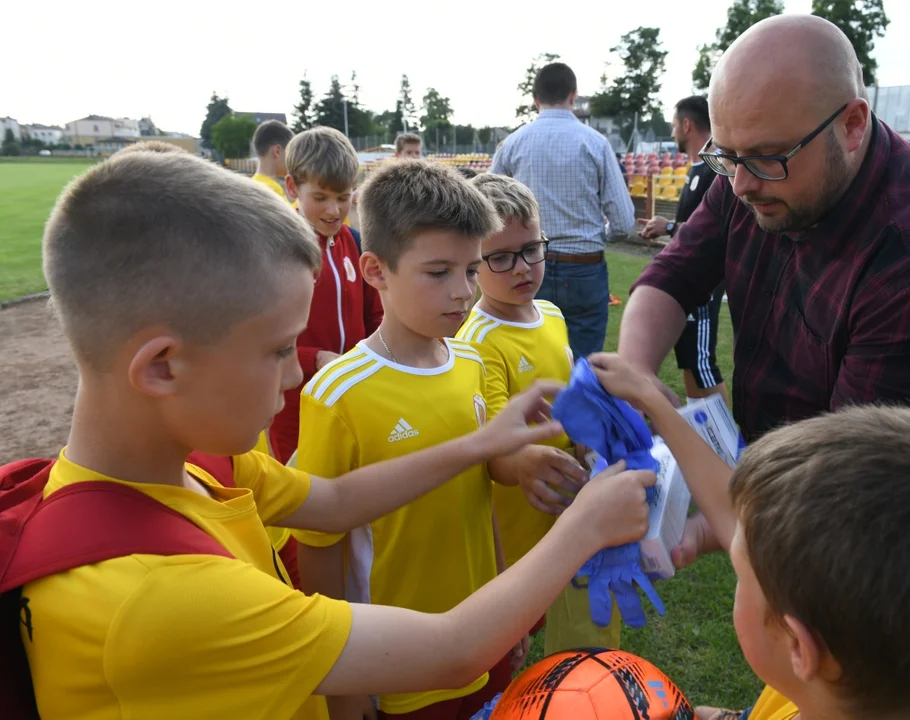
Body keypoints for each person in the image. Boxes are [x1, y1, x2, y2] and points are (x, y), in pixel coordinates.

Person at [18, 149, 655, 720]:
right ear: (162, 365)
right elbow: (453, 650)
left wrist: (484, 444)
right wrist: (587, 525)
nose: (298, 368)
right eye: (276, 349)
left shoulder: (209, 467)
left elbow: (335, 501)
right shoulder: (160, 597)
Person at [618, 16, 910, 565]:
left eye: (765, 157)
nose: (740, 184)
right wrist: (636, 373)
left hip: (879, 564)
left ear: (853, 125)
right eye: (726, 156)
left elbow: (853, 493)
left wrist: (713, 527)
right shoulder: (748, 171)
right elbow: (673, 275)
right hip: (785, 505)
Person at [588, 354, 910, 720]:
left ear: (800, 647)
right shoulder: (902, 684)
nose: (730, 542)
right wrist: (653, 400)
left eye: (741, 573)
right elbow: (733, 515)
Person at [296, 161, 579, 720]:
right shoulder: (337, 393)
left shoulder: (471, 360)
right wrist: (344, 685)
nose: (463, 292)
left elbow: (482, 496)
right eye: (438, 272)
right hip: (394, 664)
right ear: (375, 270)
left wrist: (504, 604)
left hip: (482, 637)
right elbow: (319, 548)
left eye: (472, 270)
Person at [456, 173, 620, 656]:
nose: (522, 267)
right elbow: (493, 445)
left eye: (532, 249)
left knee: (575, 643)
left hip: (569, 505)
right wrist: (528, 459)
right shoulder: (476, 342)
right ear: (473, 262)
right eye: (501, 257)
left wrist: (590, 436)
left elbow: (568, 398)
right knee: (519, 644)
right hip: (516, 528)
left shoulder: (550, 314)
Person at [491, 62, 635, 360]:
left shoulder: (512, 144)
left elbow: (486, 210)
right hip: (583, 264)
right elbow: (623, 221)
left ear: (535, 100)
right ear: (573, 96)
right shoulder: (595, 143)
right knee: (583, 364)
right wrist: (594, 238)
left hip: (527, 264)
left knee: (530, 360)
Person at [267, 126, 383, 463]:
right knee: (301, 495)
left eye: (343, 197)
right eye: (321, 198)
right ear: (292, 187)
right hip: (295, 404)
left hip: (352, 393)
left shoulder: (354, 242)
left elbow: (375, 314)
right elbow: (260, 339)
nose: (334, 210)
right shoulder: (277, 248)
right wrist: (314, 359)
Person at [637, 95, 728, 403]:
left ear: (687, 125)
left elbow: (714, 232)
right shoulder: (698, 167)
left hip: (703, 284)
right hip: (687, 280)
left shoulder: (716, 171)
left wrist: (670, 227)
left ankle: (723, 443)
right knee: (689, 358)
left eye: (675, 124)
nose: (673, 132)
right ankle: (700, 431)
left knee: (702, 362)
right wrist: (668, 227)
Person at [251, 120, 294, 200]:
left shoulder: (251, 185)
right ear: (277, 151)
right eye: (290, 152)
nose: (293, 158)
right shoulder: (273, 190)